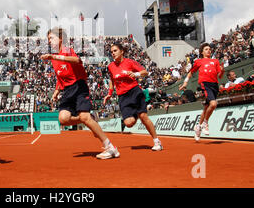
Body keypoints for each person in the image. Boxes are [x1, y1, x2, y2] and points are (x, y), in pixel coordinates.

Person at [40, 27, 119, 160]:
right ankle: (90, 119)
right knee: (63, 119)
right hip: (67, 90)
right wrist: (56, 91)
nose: (49, 41)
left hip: (79, 85)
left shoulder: (66, 51)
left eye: (51, 38)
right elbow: (61, 77)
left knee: (84, 117)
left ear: (60, 39)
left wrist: (54, 56)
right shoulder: (53, 60)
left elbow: (77, 61)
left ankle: (110, 147)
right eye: (48, 39)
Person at [103, 43, 163, 151]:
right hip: (122, 96)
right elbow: (112, 80)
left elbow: (145, 72)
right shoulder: (110, 66)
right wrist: (110, 93)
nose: (113, 53)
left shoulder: (130, 62)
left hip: (135, 92)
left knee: (144, 117)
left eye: (115, 51)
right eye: (111, 52)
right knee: (128, 123)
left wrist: (136, 75)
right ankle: (136, 113)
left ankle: (157, 141)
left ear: (122, 51)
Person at [179, 43, 224, 142]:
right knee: (213, 104)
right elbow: (191, 72)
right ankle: (205, 124)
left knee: (207, 107)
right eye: (206, 49)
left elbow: (220, 76)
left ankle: (198, 127)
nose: (209, 50)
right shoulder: (199, 61)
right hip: (205, 84)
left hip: (214, 85)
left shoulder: (215, 61)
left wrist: (222, 70)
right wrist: (185, 82)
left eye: (209, 49)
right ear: (202, 52)